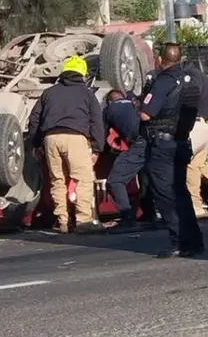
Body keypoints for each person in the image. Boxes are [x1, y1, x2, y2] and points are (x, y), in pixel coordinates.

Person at [26, 55, 105, 234]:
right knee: (82, 179)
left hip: (51, 139)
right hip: (75, 138)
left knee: (57, 180)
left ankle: (62, 220)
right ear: (82, 74)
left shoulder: (49, 93)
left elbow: (34, 119)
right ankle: (84, 220)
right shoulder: (86, 93)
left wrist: (36, 144)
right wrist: (97, 147)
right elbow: (96, 121)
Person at [139, 43, 204, 258]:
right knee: (181, 193)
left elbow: (146, 114)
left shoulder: (163, 81)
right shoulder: (190, 80)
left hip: (162, 144)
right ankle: (193, 240)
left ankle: (179, 240)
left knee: (166, 195)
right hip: (181, 141)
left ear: (159, 59)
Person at [103, 90, 144, 232]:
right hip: (155, 142)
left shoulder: (110, 109)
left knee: (115, 181)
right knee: (147, 178)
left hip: (138, 145)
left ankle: (127, 218)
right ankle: (150, 215)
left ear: (109, 101)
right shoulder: (135, 104)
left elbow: (102, 134)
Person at [186, 60, 208, 218]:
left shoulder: (192, 77)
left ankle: (195, 204)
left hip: (203, 123)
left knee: (192, 165)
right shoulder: (198, 75)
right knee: (197, 164)